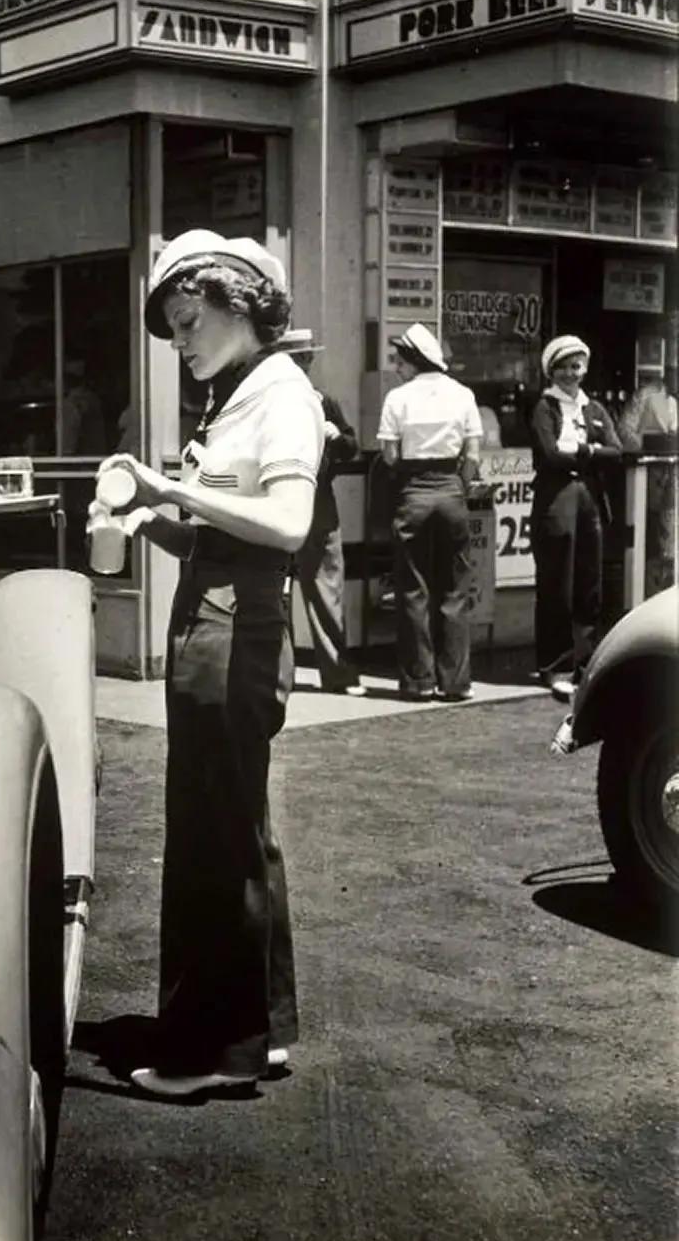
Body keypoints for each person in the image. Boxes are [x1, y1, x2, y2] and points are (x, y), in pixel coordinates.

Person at [91, 229, 323, 1098]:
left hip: (237, 624)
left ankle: (205, 1055)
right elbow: (221, 527)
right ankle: (255, 1029)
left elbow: (290, 524)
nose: (180, 340)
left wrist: (169, 489)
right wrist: (156, 519)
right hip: (224, 610)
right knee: (236, 829)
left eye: (189, 320)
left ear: (237, 304)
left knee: (209, 835)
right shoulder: (243, 395)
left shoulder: (279, 394)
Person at [377, 322, 483, 702]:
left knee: (413, 589)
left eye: (400, 361)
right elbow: (472, 455)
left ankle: (418, 681)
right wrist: (461, 485)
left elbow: (390, 455)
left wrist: (408, 476)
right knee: (455, 587)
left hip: (413, 493)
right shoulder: (463, 395)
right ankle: (455, 682)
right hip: (452, 492)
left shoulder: (397, 399)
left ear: (413, 361)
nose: (397, 368)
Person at [529, 335, 622, 700]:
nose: (571, 373)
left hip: (589, 499)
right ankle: (555, 665)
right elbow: (551, 454)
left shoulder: (594, 408)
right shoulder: (544, 407)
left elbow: (617, 450)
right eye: (564, 367)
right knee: (558, 582)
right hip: (556, 499)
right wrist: (593, 452)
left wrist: (582, 449)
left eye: (577, 366)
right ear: (552, 370)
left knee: (588, 582)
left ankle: (584, 663)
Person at [284, 330, 365, 695]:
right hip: (279, 498)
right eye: (295, 359)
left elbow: (353, 447)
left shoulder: (323, 402)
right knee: (273, 589)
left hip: (318, 501)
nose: (302, 365)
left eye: (306, 359)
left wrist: (337, 435)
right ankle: (275, 673)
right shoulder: (267, 404)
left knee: (327, 587)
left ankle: (337, 674)